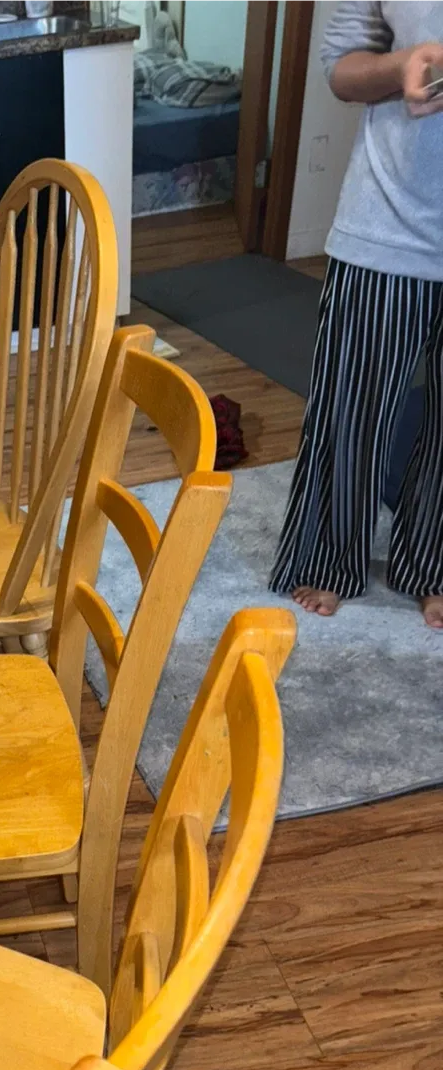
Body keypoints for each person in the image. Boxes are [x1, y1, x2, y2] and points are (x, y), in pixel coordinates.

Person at [269, 0, 443, 628]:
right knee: (352, 406)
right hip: (390, 218)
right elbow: (342, 69)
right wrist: (404, 66)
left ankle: (434, 563)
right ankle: (330, 557)